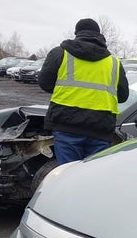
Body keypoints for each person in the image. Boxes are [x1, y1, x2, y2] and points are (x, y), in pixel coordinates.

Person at [39, 18, 129, 165]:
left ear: (77, 33)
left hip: (66, 125)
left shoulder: (60, 53)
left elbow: (44, 83)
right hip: (100, 128)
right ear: (99, 35)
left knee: (67, 174)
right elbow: (123, 96)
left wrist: (68, 91)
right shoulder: (114, 62)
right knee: (92, 176)